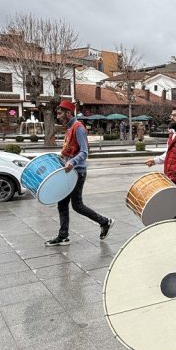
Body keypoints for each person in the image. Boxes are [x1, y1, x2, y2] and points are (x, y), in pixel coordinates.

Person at [45, 99, 113, 246]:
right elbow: (70, 150)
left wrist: (72, 162)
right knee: (62, 204)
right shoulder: (69, 128)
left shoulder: (79, 128)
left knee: (77, 205)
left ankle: (105, 221)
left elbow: (84, 152)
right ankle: (63, 236)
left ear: (68, 113)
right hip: (68, 171)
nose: (57, 115)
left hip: (77, 173)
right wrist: (61, 158)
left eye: (60, 112)